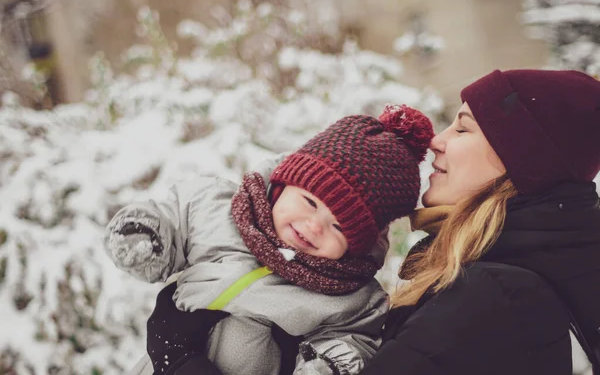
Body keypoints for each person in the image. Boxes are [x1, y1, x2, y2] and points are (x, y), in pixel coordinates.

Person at [159, 68, 600, 375]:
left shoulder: (496, 296)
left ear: (520, 161)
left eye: (463, 129)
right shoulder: (531, 279)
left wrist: (179, 361)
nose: (438, 143)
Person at [104, 104, 435, 375]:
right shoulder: (217, 210)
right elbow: (174, 216)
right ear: (281, 185)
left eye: (338, 227)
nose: (314, 225)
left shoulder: (350, 295)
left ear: (357, 246)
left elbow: (354, 340)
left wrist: (328, 364)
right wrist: (145, 235)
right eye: (310, 202)